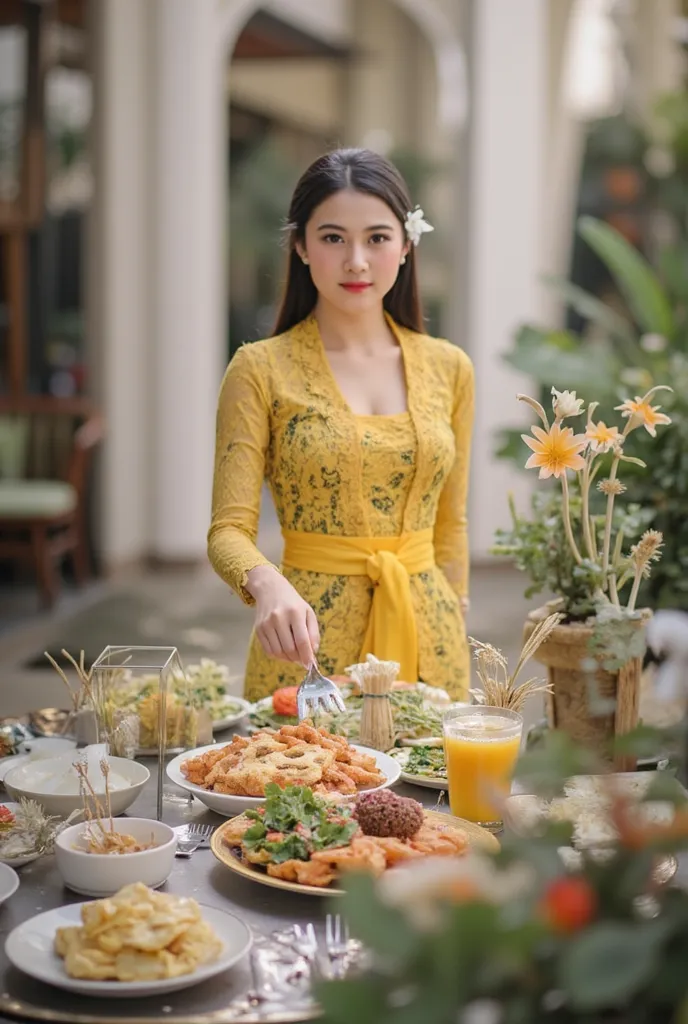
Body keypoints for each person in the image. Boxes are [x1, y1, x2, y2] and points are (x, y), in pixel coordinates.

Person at [208, 148, 474, 702]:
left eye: (377, 238)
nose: (356, 260)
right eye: (333, 238)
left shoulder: (450, 367)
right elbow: (227, 531)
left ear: (405, 245)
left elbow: (451, 525)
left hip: (431, 646)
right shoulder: (260, 369)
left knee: (432, 787)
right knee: (303, 785)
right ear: (301, 246)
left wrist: (455, 610)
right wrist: (266, 584)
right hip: (303, 651)